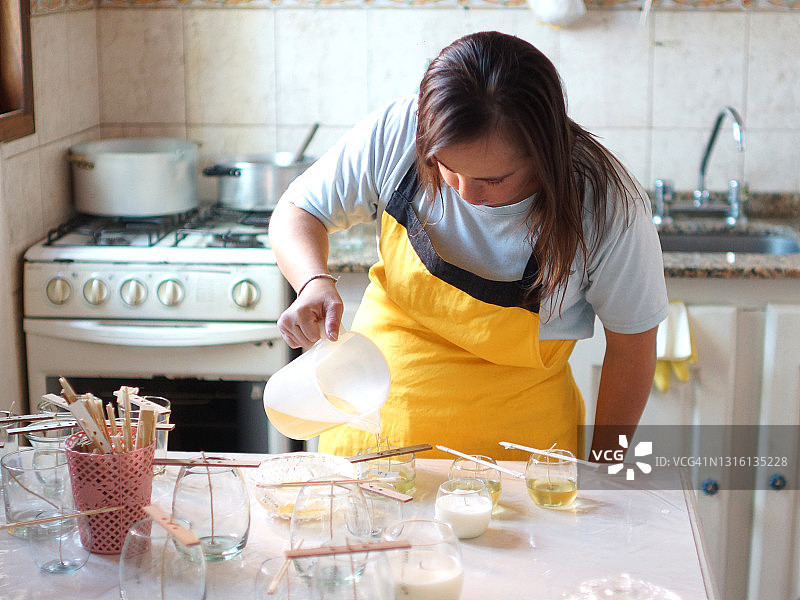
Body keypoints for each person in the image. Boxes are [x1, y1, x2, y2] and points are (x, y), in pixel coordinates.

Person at [268, 31, 668, 461]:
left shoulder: (606, 204)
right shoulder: (400, 130)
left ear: (546, 151)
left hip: (519, 464)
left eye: (493, 180)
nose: (466, 195)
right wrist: (313, 281)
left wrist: (603, 473)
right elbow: (297, 210)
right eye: (447, 168)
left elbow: (632, 349)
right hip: (375, 439)